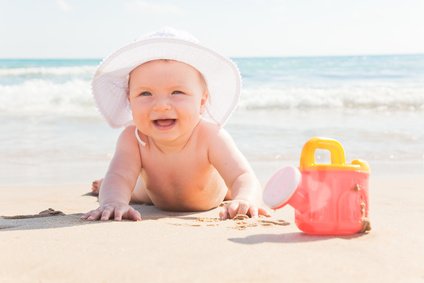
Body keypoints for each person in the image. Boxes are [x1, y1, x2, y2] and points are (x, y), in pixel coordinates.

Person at [82, 28, 269, 221]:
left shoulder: (211, 136)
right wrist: (113, 201)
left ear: (202, 101)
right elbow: (120, 175)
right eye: (145, 93)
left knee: (231, 191)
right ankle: (107, 188)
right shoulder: (134, 138)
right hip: (152, 195)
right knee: (129, 190)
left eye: (177, 92)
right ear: (129, 100)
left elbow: (243, 176)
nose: (162, 105)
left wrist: (245, 198)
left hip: (211, 194)